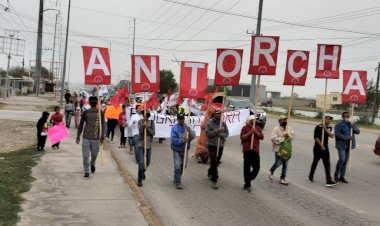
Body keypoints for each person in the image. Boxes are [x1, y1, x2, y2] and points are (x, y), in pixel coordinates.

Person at [76, 96, 105, 179]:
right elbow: (81, 125)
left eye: (94, 101)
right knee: (85, 155)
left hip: (96, 138)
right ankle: (86, 171)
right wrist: (78, 136)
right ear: (89, 102)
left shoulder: (100, 112)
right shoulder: (85, 112)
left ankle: (92, 163)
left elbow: (103, 124)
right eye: (91, 100)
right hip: (86, 137)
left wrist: (102, 135)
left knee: (94, 155)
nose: (92, 102)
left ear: (96, 102)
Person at [308, 116, 337, 187]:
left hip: (326, 148)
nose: (329, 121)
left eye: (330, 120)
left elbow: (331, 136)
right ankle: (310, 176)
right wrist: (321, 145)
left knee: (327, 164)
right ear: (324, 119)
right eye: (328, 119)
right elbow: (315, 137)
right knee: (315, 162)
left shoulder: (331, 128)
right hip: (317, 147)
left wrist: (325, 129)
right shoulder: (318, 126)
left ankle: (328, 180)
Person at [205, 109, 229, 189]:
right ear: (214, 114)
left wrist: (221, 134)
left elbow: (226, 134)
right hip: (212, 145)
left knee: (216, 161)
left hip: (220, 145)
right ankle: (214, 180)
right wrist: (216, 131)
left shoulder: (223, 123)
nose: (219, 115)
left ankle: (210, 172)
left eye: (220, 114)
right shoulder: (210, 123)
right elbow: (207, 133)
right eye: (217, 114)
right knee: (214, 161)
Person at [334, 112, 360, 183]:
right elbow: (337, 134)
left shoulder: (351, 124)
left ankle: (342, 177)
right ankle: (336, 175)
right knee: (342, 159)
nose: (347, 117)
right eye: (346, 116)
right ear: (342, 117)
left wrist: (354, 127)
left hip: (349, 145)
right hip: (341, 145)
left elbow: (358, 132)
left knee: (345, 161)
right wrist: (348, 137)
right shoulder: (338, 124)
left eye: (348, 116)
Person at [171, 113, 196, 189]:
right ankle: (178, 182)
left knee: (183, 166)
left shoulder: (187, 127)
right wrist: (182, 140)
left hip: (185, 149)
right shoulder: (174, 128)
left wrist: (190, 132)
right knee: (178, 166)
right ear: (178, 119)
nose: (182, 120)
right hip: (177, 150)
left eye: (183, 119)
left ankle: (176, 177)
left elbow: (192, 136)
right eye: (180, 119)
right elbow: (173, 140)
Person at [240, 115, 264, 192]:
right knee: (247, 168)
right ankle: (247, 185)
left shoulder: (258, 128)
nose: (255, 121)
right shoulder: (245, 128)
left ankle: (248, 178)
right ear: (250, 121)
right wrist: (250, 132)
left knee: (257, 167)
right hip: (247, 150)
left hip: (255, 150)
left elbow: (261, 137)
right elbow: (242, 137)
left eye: (256, 120)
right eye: (253, 120)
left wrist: (255, 132)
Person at [269, 115, 295, 185]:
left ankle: (282, 178)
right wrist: (283, 139)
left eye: (285, 120)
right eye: (283, 120)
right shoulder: (276, 129)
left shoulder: (289, 128)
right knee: (278, 163)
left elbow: (293, 137)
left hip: (287, 150)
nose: (285, 121)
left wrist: (288, 136)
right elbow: (273, 138)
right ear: (279, 121)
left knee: (285, 164)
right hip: (279, 149)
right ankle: (272, 171)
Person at [135, 110, 155, 187]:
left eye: (147, 114)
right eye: (144, 114)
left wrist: (148, 128)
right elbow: (140, 132)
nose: (145, 116)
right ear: (143, 115)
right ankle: (139, 179)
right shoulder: (140, 122)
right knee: (141, 163)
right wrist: (143, 127)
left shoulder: (151, 122)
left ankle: (142, 172)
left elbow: (153, 133)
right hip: (140, 144)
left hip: (148, 145)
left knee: (147, 162)